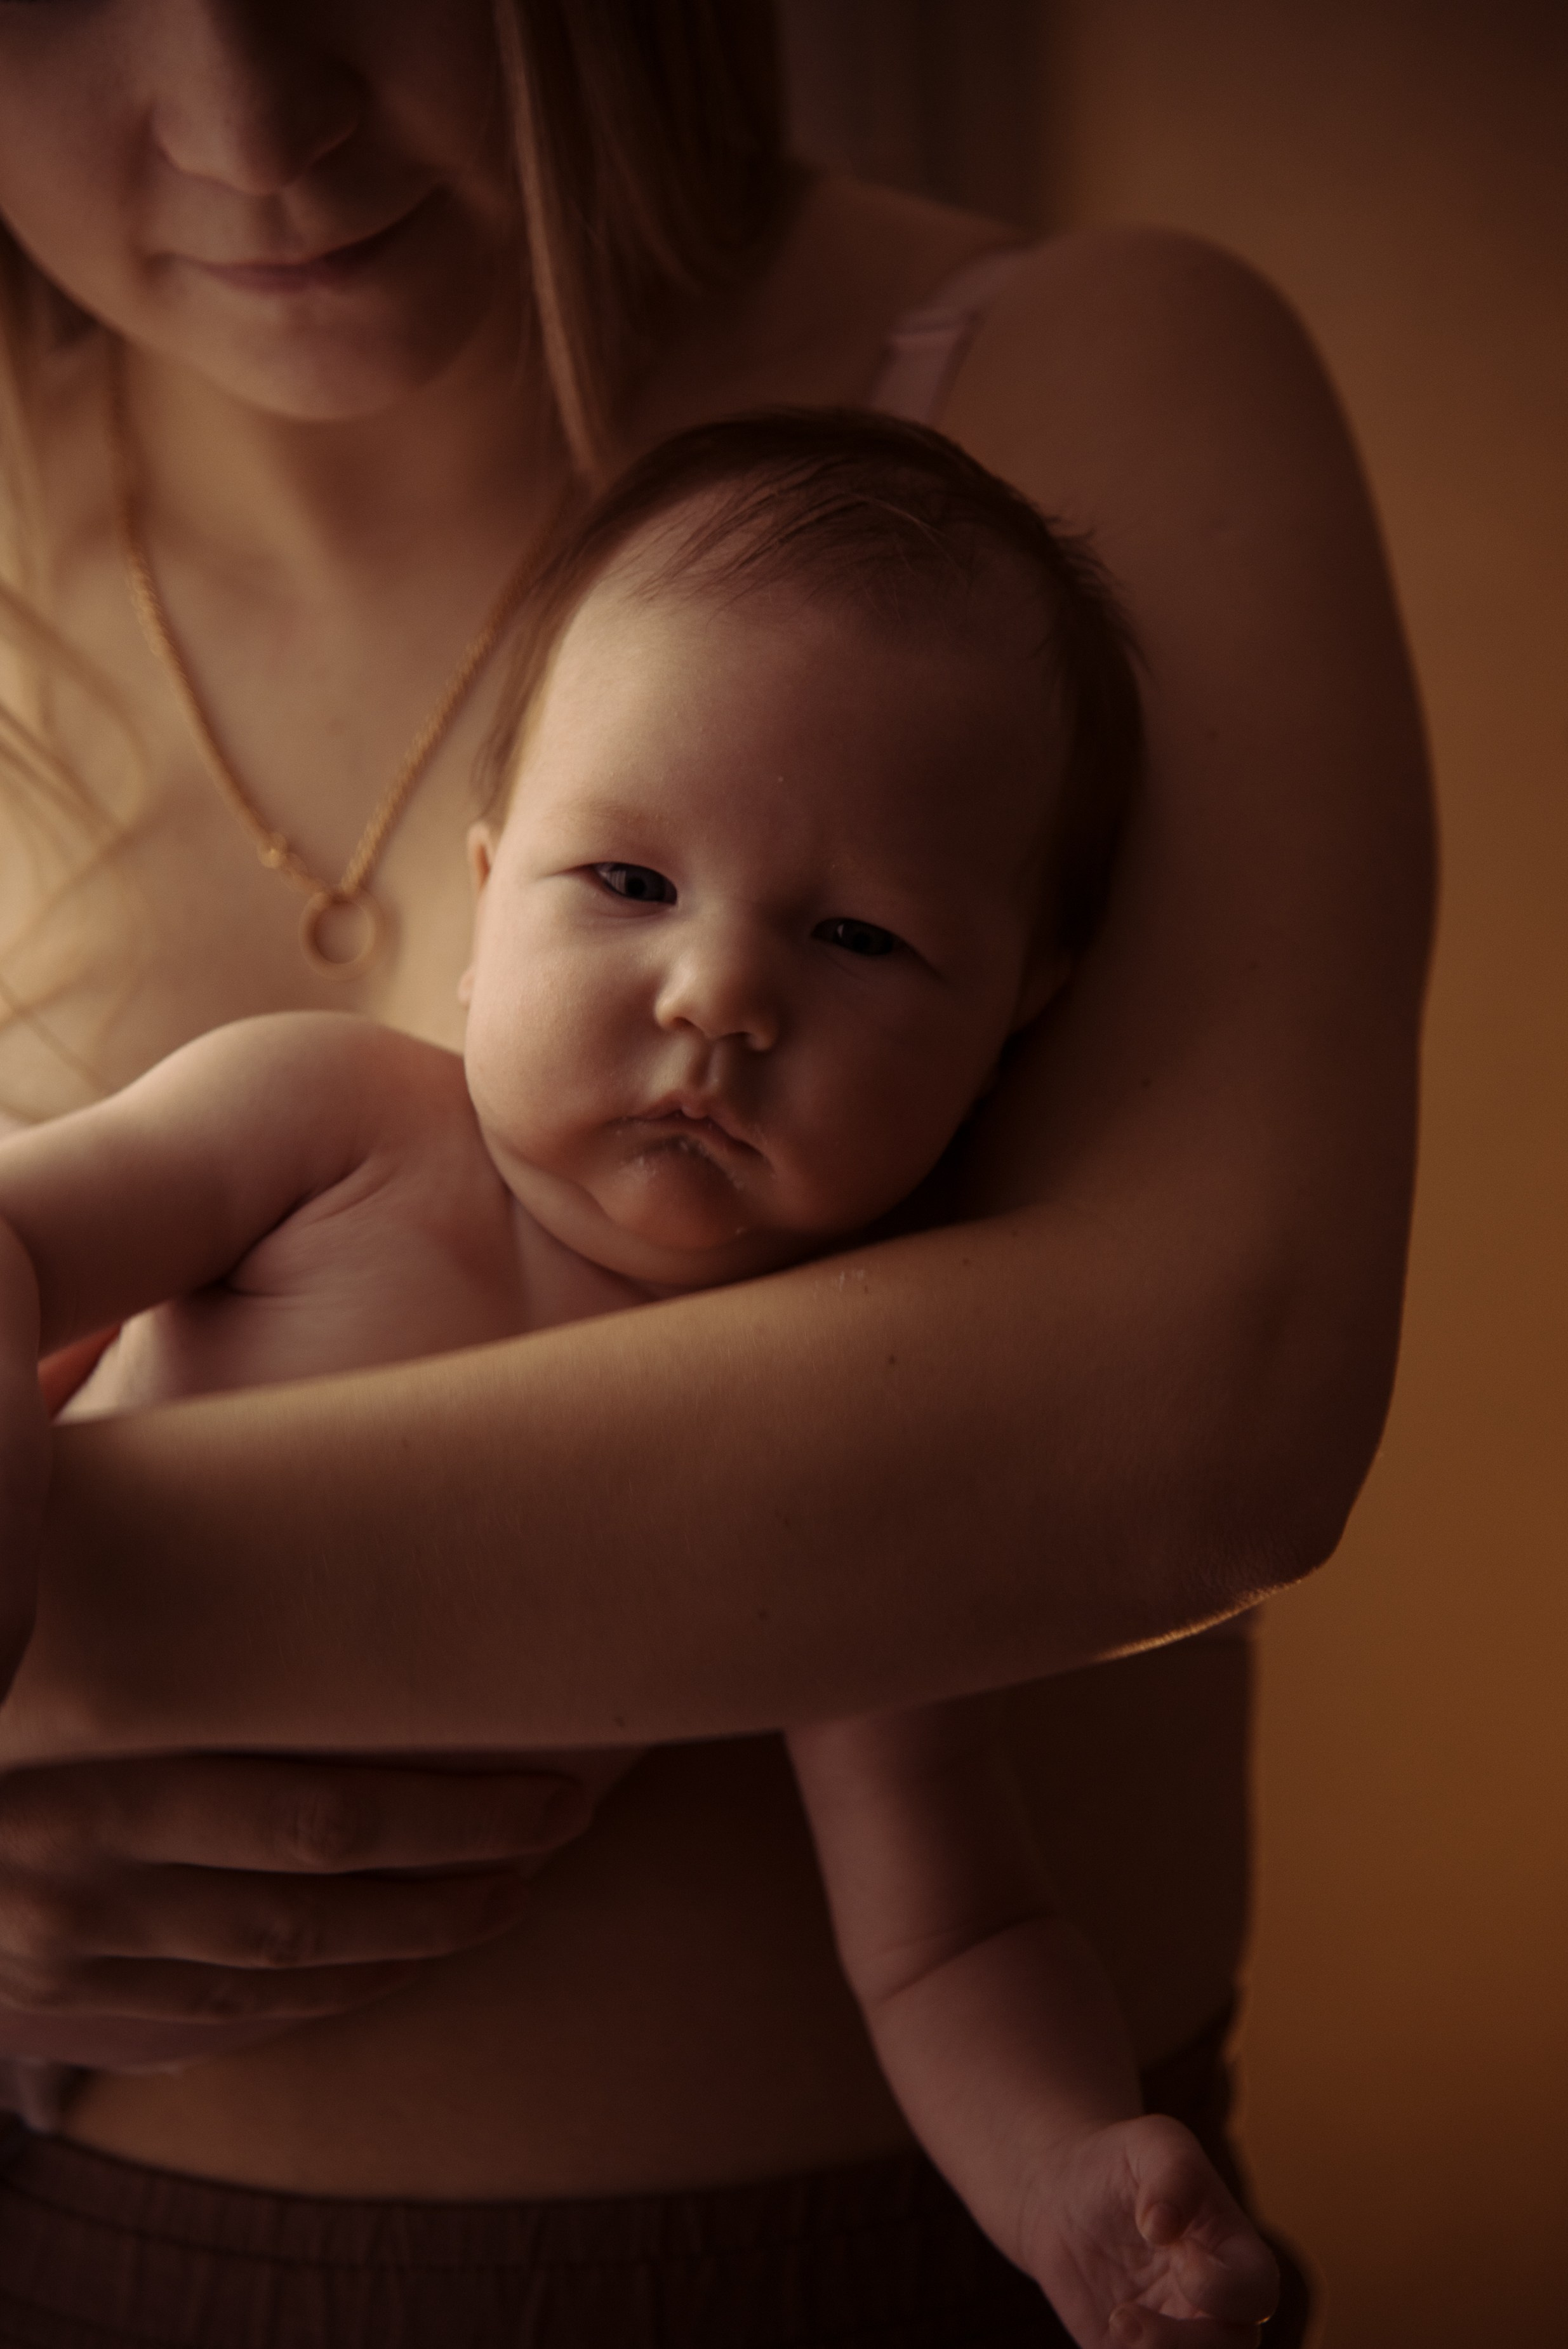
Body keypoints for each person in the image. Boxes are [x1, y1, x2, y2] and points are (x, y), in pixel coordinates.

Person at [0, 4, 1431, 2343]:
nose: (255, 124)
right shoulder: (331, 1115)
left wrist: (60, 1651)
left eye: (860, 940)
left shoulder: (1086, 378)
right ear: (499, 872)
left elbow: (1195, 1431)